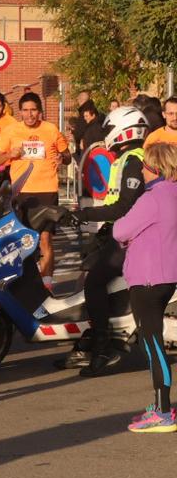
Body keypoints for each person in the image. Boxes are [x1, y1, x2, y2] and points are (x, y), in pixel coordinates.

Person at [71, 106, 153, 375]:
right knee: (86, 275)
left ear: (123, 130)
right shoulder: (124, 158)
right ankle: (88, 341)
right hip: (116, 231)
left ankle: (104, 347)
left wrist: (84, 214)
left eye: (108, 129)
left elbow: (124, 207)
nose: (105, 134)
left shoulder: (134, 161)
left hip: (131, 237)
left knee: (95, 281)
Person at [115, 143, 177, 431]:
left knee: (152, 343)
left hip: (148, 279)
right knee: (150, 341)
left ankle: (164, 412)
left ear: (154, 167)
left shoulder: (151, 197)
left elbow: (120, 230)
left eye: (144, 165)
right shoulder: (174, 192)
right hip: (166, 277)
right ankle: (160, 405)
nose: (140, 169)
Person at [0, 91, 70, 280]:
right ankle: (24, 281)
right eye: (25, 110)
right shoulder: (11, 131)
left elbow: (67, 156)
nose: (29, 114)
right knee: (23, 241)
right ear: (20, 112)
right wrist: (9, 155)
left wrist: (63, 158)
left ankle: (47, 283)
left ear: (40, 111)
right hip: (21, 192)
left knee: (45, 239)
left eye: (33, 110)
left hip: (47, 190)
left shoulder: (51, 129)